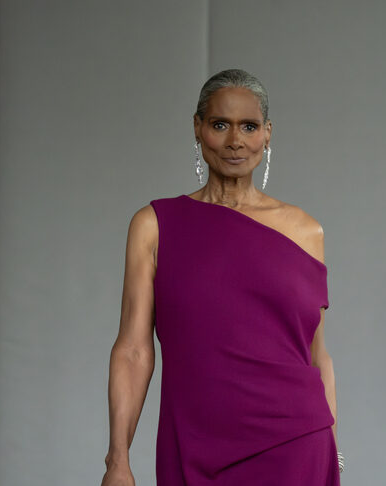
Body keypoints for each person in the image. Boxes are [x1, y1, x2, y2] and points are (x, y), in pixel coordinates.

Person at [101, 68, 343, 486]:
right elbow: (134, 350)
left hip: (295, 445)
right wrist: (117, 460)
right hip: (195, 445)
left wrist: (332, 457)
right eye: (220, 125)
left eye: (249, 126)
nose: (235, 141)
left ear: (267, 134)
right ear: (197, 129)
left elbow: (317, 355)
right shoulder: (155, 225)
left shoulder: (306, 231)